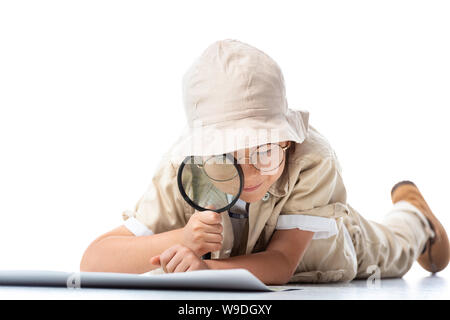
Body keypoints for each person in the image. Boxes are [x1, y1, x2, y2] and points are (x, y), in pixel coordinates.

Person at [80, 39, 449, 284]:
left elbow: (281, 262)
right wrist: (184, 238)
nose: (251, 174)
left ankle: (416, 219)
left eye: (264, 153)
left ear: (286, 139)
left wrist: (206, 269)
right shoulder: (182, 169)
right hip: (243, 258)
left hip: (328, 247)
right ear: (204, 153)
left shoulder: (312, 159)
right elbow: (94, 261)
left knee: (394, 250)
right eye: (228, 158)